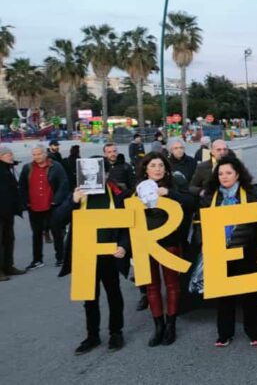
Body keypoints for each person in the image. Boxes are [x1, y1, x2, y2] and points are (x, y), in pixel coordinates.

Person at [55, 168, 130, 355]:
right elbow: (57, 221)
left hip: (109, 254)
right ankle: (92, 335)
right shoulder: (78, 194)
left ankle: (116, 332)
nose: (94, 176)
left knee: (114, 294)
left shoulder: (118, 194)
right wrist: (73, 201)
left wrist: (124, 246)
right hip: (85, 254)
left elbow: (128, 224)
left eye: (99, 172)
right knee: (89, 298)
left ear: (106, 175)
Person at [199, 157, 257, 348]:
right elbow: (200, 224)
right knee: (224, 296)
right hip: (219, 251)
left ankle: (255, 332)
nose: (224, 176)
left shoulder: (251, 194)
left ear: (238, 174)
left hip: (247, 250)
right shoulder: (210, 196)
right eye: (220, 173)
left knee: (251, 295)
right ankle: (224, 334)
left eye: (229, 173)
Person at [135, 152, 195, 347]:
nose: (157, 169)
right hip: (145, 243)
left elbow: (191, 202)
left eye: (161, 165)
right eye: (153, 165)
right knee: (151, 286)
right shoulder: (137, 189)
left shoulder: (174, 184)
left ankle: (171, 325)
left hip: (169, 240)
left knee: (171, 284)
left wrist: (169, 193)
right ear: (146, 169)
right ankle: (158, 326)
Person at [19, 144, 69, 269]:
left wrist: (56, 201)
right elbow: (22, 186)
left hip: (51, 206)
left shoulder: (56, 166)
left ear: (45, 154)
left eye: (39, 154)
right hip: (33, 207)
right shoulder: (27, 168)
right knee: (36, 234)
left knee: (56, 232)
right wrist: (26, 202)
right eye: (34, 154)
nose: (37, 157)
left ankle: (61, 258)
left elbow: (63, 184)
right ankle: (37, 260)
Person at [0, 146, 25, 281]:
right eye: (8, 154)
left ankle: (8, 266)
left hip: (8, 211)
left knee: (9, 239)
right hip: (2, 211)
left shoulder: (7, 169)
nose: (11, 156)